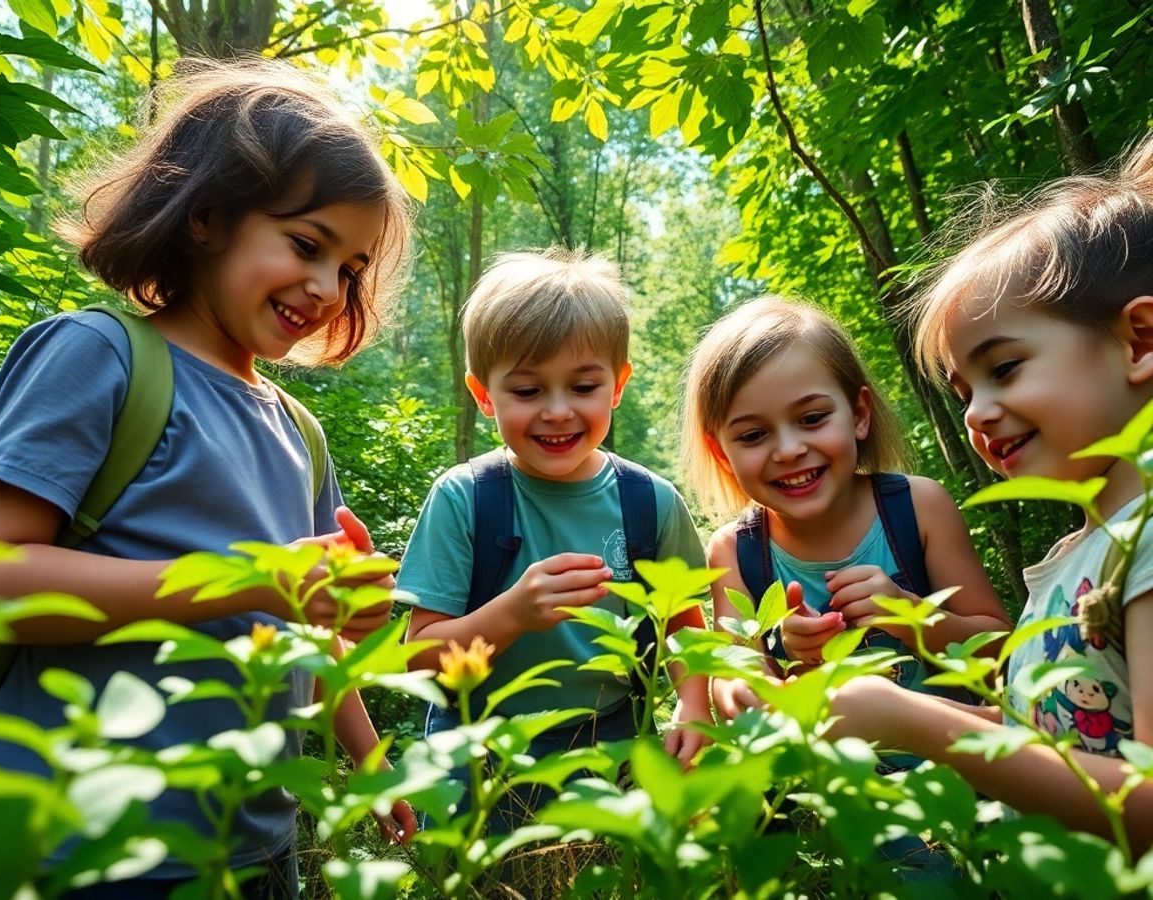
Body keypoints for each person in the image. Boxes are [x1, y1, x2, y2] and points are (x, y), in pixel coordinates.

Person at [0, 59, 415, 897]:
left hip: (254, 852)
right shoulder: (101, 357)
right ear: (207, 216)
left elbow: (310, 633)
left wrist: (368, 747)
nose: (324, 287)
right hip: (72, 849)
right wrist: (247, 580)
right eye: (307, 245)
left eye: (349, 268)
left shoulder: (298, 432)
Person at [826, 135, 1153, 856]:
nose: (975, 413)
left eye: (1004, 368)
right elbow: (1058, 724)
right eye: (964, 391)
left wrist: (919, 724)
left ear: (1140, 339)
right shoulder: (1083, 551)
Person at [400, 249, 712, 830]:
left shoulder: (651, 503)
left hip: (612, 742)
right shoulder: (465, 498)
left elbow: (686, 630)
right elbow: (419, 657)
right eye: (527, 391)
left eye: (583, 385)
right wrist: (513, 612)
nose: (558, 411)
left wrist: (694, 706)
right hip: (479, 750)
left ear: (617, 386)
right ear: (483, 394)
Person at [680, 298, 1009, 737]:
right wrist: (766, 667)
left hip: (963, 776)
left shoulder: (919, 508)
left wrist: (911, 618)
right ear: (723, 454)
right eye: (754, 435)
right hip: (826, 794)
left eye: (812, 418)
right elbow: (734, 676)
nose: (789, 449)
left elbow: (1003, 658)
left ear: (858, 414)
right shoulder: (734, 553)